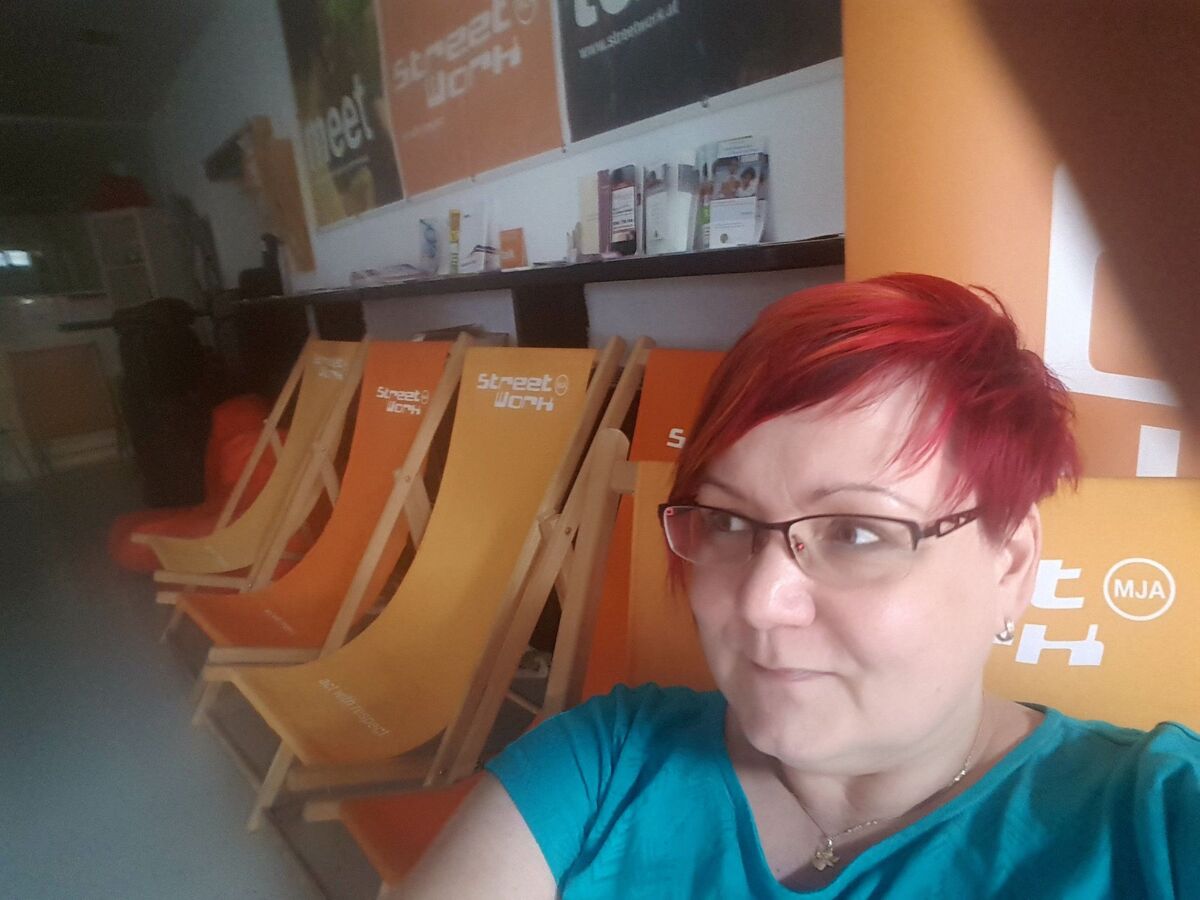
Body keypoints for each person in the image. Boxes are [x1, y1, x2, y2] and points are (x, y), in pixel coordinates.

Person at [397, 275, 1200, 898]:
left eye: (856, 533)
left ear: (1012, 566)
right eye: (728, 521)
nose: (757, 601)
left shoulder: (1157, 823)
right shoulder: (602, 769)